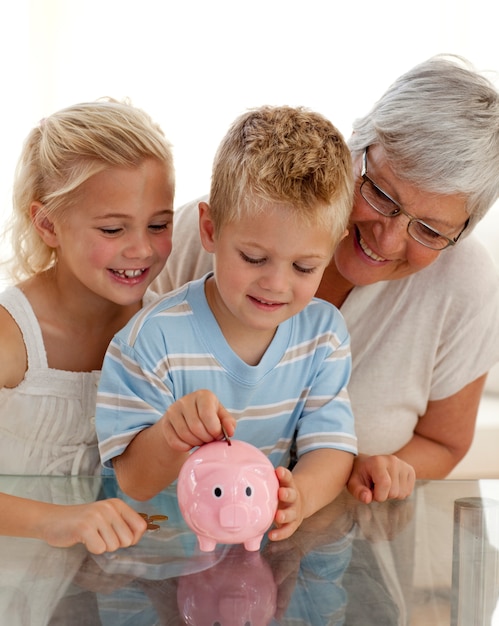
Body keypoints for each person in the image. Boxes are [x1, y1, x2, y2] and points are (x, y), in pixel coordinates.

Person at [150, 54, 499, 504]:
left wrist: (384, 470)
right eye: (381, 194)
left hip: (345, 542)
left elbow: (445, 442)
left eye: (430, 231)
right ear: (356, 146)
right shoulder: (233, 225)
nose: (389, 241)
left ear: (462, 232)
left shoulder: (466, 285)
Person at [96, 105, 358, 542]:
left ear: (331, 252)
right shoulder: (151, 340)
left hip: (259, 555)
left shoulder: (324, 336)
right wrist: (171, 435)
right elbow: (132, 482)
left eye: (304, 266)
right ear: (210, 229)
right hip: (161, 558)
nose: (275, 284)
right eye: (254, 258)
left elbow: (331, 446)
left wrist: (301, 497)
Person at [0, 99, 175, 554]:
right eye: (113, 230)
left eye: (158, 224)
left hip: (110, 597)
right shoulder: (11, 336)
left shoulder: (166, 332)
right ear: (48, 224)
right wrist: (55, 521)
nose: (141, 250)